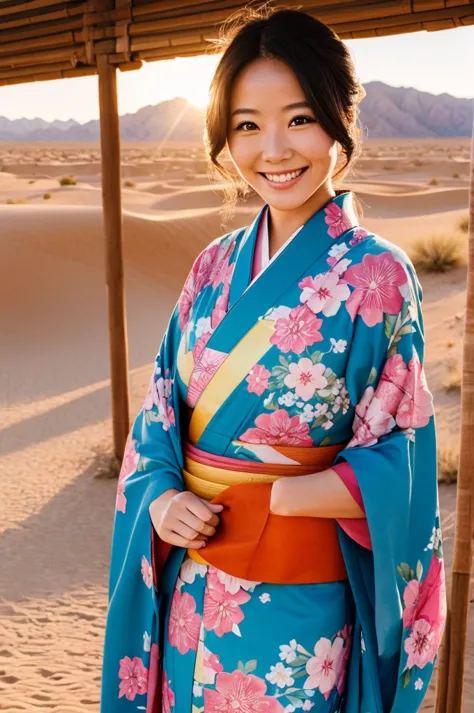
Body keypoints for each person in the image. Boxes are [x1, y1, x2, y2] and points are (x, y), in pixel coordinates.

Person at [100, 7, 446, 713]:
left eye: (300, 118)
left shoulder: (378, 275)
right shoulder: (212, 265)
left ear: (339, 118)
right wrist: (162, 498)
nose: (274, 149)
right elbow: (161, 407)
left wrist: (296, 493)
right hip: (190, 598)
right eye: (247, 126)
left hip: (299, 621)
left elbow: (402, 448)